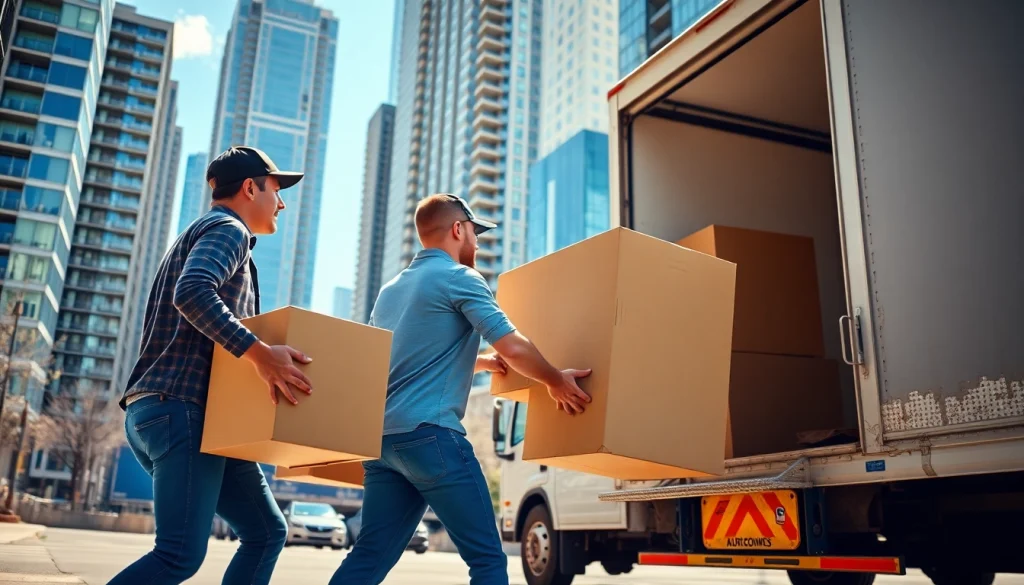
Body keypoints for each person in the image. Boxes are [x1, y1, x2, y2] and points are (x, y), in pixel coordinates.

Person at [330, 193, 591, 585]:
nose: (479, 242)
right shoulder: (460, 277)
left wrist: (480, 362)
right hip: (431, 439)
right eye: (475, 232)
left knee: (369, 557)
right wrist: (555, 380)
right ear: (457, 229)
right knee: (487, 560)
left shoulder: (392, 290)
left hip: (382, 443)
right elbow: (513, 345)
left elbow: (394, 357)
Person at [108, 146, 313, 585]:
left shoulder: (205, 232)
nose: (282, 202)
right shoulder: (228, 229)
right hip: (182, 411)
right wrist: (260, 353)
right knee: (178, 555)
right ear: (250, 187)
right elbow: (194, 292)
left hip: (181, 416)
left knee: (265, 531)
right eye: (277, 190)